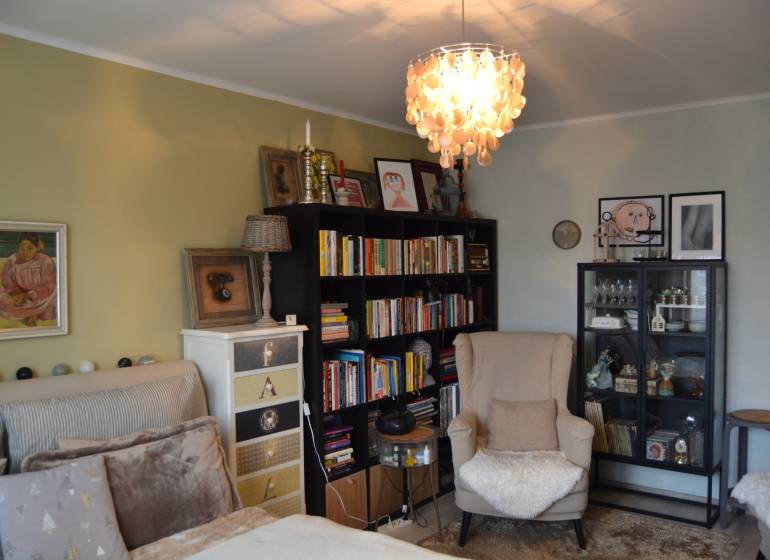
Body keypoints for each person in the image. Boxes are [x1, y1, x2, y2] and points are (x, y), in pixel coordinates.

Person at [0, 232, 57, 327]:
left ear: (37, 247)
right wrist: (16, 295)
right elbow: (8, 283)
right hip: (19, 294)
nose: (25, 252)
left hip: (41, 296)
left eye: (30, 248)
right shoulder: (12, 260)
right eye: (21, 248)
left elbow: (47, 287)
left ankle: (34, 314)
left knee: (52, 303)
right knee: (3, 300)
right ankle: (29, 314)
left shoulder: (46, 261)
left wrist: (28, 295)